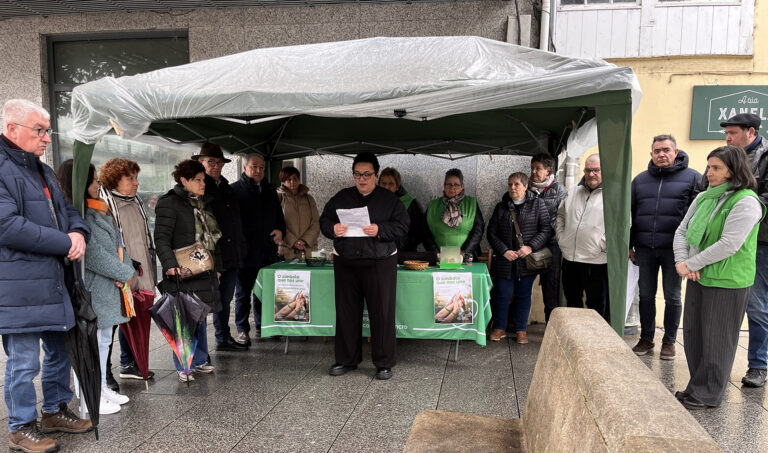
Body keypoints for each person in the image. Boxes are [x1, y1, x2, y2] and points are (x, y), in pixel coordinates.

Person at [0, 99, 93, 452]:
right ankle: (22, 426)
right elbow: (7, 226)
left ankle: (54, 411)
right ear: (12, 129)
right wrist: (63, 242)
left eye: (47, 131)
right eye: (38, 130)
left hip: (54, 281)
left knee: (60, 351)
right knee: (24, 361)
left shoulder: (42, 169)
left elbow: (67, 209)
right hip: (18, 286)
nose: (45, 138)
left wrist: (79, 233)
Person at [673, 145, 765, 410]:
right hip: (697, 276)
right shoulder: (704, 198)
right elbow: (682, 231)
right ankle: (697, 386)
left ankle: (709, 394)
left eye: (716, 168)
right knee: (694, 336)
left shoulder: (747, 201)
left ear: (734, 171)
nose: (709, 173)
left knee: (717, 340)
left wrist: (689, 263)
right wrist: (682, 263)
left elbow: (729, 244)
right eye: (709, 166)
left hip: (727, 282)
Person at [319, 152, 409, 380]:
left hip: (380, 263)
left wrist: (380, 230)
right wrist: (333, 229)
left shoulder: (389, 200)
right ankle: (347, 359)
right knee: (347, 312)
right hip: (347, 263)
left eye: (367, 174)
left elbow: (403, 226)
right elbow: (324, 221)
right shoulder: (342, 197)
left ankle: (384, 362)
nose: (362, 179)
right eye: (358, 174)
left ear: (376, 175)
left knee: (382, 312)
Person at [58, 160, 134, 414]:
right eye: (92, 180)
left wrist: (124, 270)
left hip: (105, 287)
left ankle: (99, 387)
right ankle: (89, 395)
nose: (97, 184)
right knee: (90, 345)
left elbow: (115, 247)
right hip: (93, 287)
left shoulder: (95, 208)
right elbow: (93, 254)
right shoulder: (77, 213)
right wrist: (125, 272)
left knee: (102, 343)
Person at [629, 135, 700, 360]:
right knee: (646, 295)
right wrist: (629, 245)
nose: (661, 154)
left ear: (676, 152)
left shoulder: (693, 178)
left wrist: (691, 251)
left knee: (672, 296)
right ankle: (647, 338)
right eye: (657, 150)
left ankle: (669, 341)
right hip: (644, 248)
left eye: (666, 150)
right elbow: (630, 215)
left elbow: (698, 218)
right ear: (651, 154)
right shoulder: (640, 181)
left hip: (674, 251)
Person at [154, 159, 223, 382]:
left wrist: (218, 267)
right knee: (183, 318)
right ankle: (185, 364)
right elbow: (161, 238)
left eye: (204, 180)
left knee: (200, 315)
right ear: (184, 181)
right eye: (198, 180)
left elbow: (213, 239)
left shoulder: (203, 203)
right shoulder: (169, 203)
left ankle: (200, 359)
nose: (204, 184)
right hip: (182, 270)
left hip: (204, 269)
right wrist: (169, 264)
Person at [98, 157, 158, 386]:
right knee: (113, 321)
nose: (136, 183)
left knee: (132, 314)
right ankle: (105, 372)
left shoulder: (136, 203)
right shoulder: (105, 206)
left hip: (138, 268)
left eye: (136, 178)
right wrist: (120, 270)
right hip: (119, 272)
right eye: (130, 178)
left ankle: (129, 362)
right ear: (115, 180)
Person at [718, 113, 768, 388]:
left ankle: (758, 365)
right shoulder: (726, 156)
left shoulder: (766, 156)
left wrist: (738, 204)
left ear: (751, 132)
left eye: (733, 133)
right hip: (726, 239)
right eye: (726, 133)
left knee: (757, 306)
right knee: (728, 305)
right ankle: (721, 361)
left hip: (760, 241)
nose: (728, 138)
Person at [193, 143, 248, 352]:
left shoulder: (226, 187)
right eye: (211, 162)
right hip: (210, 256)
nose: (215, 166)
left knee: (225, 299)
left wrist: (241, 248)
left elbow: (236, 221)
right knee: (206, 301)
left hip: (231, 254)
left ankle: (223, 337)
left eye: (219, 162)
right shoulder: (200, 187)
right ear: (201, 163)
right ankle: (202, 346)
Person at [487, 172, 551, 343]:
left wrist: (531, 247)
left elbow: (545, 229)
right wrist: (504, 251)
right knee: (502, 293)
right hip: (505, 260)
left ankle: (521, 329)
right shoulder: (501, 207)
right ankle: (500, 327)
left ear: (525, 186)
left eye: (516, 184)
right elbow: (491, 233)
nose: (512, 188)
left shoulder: (537, 205)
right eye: (510, 184)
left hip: (526, 262)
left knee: (524, 295)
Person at [231, 153, 285, 344]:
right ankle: (242, 330)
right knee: (243, 293)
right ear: (245, 167)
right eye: (254, 166)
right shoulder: (235, 190)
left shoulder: (270, 190)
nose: (258, 170)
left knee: (265, 292)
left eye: (261, 167)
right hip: (245, 252)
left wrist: (280, 231)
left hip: (267, 251)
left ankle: (264, 326)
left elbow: (279, 217)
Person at [556, 153, 609, 322]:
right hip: (570, 258)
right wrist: (561, 238)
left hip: (596, 260)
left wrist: (602, 244)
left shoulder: (612, 196)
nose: (591, 174)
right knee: (572, 302)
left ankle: (594, 342)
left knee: (596, 304)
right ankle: (575, 341)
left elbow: (622, 224)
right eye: (588, 170)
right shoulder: (573, 192)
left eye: (596, 170)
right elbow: (560, 216)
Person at [527, 153, 567, 323]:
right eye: (532, 168)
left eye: (538, 168)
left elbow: (563, 217)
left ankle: (551, 325)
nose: (534, 172)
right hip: (528, 244)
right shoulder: (525, 187)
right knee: (523, 283)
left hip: (551, 245)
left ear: (548, 169)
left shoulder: (559, 190)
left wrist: (553, 236)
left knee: (550, 286)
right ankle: (518, 324)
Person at [425, 168, 484, 259]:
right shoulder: (433, 205)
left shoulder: (471, 204)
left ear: (462, 186)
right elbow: (425, 231)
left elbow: (478, 231)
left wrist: (464, 252)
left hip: (465, 259)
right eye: (449, 184)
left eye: (456, 184)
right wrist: (435, 252)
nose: (452, 188)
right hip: (438, 259)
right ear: (444, 186)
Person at [379, 167, 429, 252]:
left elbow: (420, 231)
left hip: (405, 253)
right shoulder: (374, 202)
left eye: (391, 184)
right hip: (380, 252)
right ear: (379, 184)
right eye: (383, 184)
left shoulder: (411, 203)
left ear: (397, 186)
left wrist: (403, 244)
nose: (387, 187)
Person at [276, 166, 320, 260]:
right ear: (283, 181)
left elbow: (315, 222)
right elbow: (278, 223)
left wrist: (304, 241)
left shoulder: (309, 199)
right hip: (287, 251)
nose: (292, 182)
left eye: (295, 178)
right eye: (288, 179)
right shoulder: (278, 198)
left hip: (308, 251)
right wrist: (294, 242)